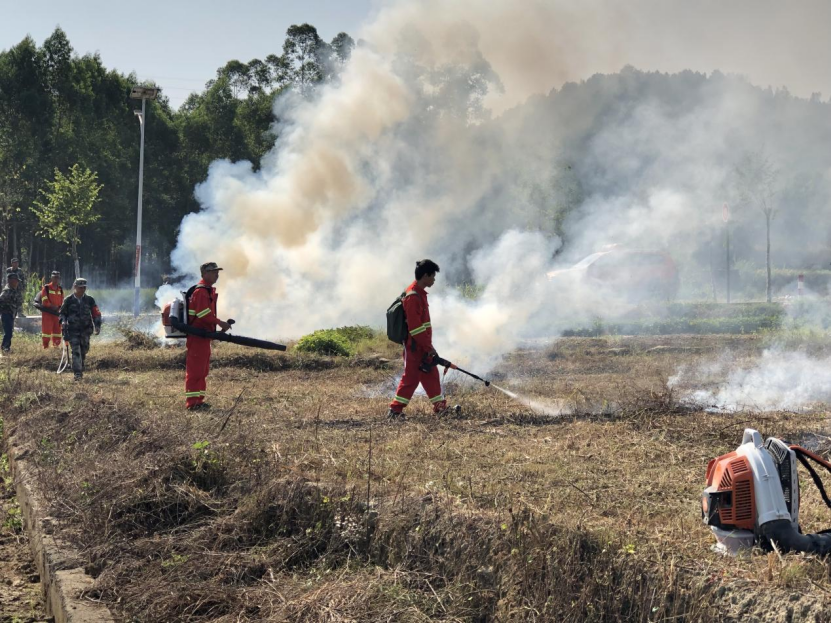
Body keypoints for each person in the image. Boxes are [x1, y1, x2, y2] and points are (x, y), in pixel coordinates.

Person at [387, 259, 450, 421]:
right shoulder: (413, 297)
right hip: (415, 347)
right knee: (411, 378)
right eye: (433, 276)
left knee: (431, 374)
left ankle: (440, 407)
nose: (434, 280)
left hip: (422, 346)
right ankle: (395, 411)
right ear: (425, 276)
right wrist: (429, 347)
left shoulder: (419, 294)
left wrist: (428, 347)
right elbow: (416, 328)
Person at [185, 262, 232, 410]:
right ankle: (192, 403)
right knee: (196, 371)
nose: (216, 275)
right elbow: (203, 314)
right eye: (213, 272)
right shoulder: (201, 291)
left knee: (203, 371)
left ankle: (199, 400)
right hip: (197, 336)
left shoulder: (207, 290)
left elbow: (206, 314)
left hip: (204, 336)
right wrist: (220, 323)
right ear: (205, 273)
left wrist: (216, 326)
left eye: (217, 272)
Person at [58, 278, 101, 380]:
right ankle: (77, 373)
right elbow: (62, 314)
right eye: (80, 287)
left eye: (84, 288)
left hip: (86, 330)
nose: (82, 290)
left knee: (84, 350)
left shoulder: (90, 300)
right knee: (76, 350)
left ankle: (81, 363)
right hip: (73, 330)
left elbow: (96, 313)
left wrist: (97, 326)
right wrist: (63, 322)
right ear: (75, 287)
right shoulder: (68, 300)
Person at [34, 271, 64, 348]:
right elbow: (45, 301)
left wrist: (59, 308)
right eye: (55, 277)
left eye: (57, 278)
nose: (56, 279)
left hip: (57, 315)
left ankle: (56, 346)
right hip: (48, 314)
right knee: (46, 333)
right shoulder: (46, 288)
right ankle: (45, 347)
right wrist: (53, 307)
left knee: (57, 333)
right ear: (51, 278)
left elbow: (62, 301)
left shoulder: (60, 289)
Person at [0, 273, 23, 353]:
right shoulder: (6, 291)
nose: (17, 282)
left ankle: (6, 347)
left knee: (9, 332)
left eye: (17, 281)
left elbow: (19, 301)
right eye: (15, 280)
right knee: (8, 332)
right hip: (6, 314)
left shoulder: (14, 290)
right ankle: (5, 348)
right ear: (10, 281)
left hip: (11, 314)